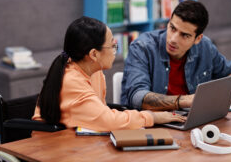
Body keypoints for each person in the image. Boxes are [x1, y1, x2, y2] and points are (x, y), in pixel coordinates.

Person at [32, 16, 186, 132]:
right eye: (112, 46)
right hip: (53, 146)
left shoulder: (94, 71)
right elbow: (107, 121)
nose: (115, 51)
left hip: (78, 139)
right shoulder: (72, 81)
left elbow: (101, 114)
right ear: (93, 54)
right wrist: (152, 117)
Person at [121, 0, 231, 111]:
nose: (173, 39)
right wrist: (186, 100)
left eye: (184, 35)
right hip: (152, 124)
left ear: (198, 38)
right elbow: (137, 97)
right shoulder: (142, 47)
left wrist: (224, 92)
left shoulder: (205, 47)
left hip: (190, 121)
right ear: (168, 23)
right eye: (172, 28)